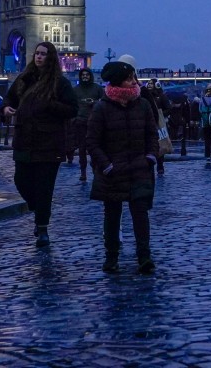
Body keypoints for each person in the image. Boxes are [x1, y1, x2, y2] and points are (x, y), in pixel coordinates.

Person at [87, 57, 158, 274]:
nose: (134, 82)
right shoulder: (101, 108)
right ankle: (111, 256)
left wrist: (151, 157)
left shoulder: (143, 105)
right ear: (118, 82)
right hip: (113, 171)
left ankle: (144, 256)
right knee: (112, 215)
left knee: (140, 214)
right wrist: (106, 165)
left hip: (139, 168)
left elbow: (152, 135)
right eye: (129, 79)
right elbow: (93, 141)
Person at [3, 42, 78, 247]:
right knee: (21, 181)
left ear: (50, 58)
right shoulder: (23, 79)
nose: (39, 57)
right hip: (24, 141)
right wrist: (7, 108)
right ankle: (38, 211)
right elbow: (8, 100)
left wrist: (50, 105)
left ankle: (43, 228)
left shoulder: (60, 84)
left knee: (45, 188)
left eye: (43, 54)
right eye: (36, 53)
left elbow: (72, 109)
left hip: (49, 143)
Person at [73, 67, 104, 182]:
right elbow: (72, 105)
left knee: (95, 148)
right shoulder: (75, 90)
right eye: (83, 75)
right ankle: (83, 172)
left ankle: (95, 168)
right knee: (82, 149)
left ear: (90, 76)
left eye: (87, 75)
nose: (85, 76)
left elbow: (104, 101)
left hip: (94, 123)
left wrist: (94, 102)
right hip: (80, 122)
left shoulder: (97, 88)